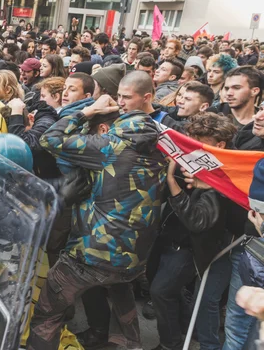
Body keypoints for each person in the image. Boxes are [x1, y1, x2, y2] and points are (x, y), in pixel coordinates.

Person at [28, 85, 166, 350]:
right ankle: (129, 345)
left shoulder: (110, 147)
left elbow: (50, 139)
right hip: (133, 258)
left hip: (92, 256)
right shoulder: (159, 147)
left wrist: (87, 111)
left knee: (48, 315)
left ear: (103, 130)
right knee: (121, 301)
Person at [150, 112, 238, 350]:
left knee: (171, 293)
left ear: (219, 145)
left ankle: (182, 343)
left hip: (195, 247)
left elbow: (197, 221)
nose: (191, 145)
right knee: (172, 292)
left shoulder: (221, 175)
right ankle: (183, 330)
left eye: (198, 140)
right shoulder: (193, 159)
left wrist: (172, 182)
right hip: (173, 238)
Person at [117, 71, 185, 130]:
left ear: (146, 98)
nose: (120, 103)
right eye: (119, 95)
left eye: (127, 97)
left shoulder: (167, 126)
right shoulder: (118, 117)